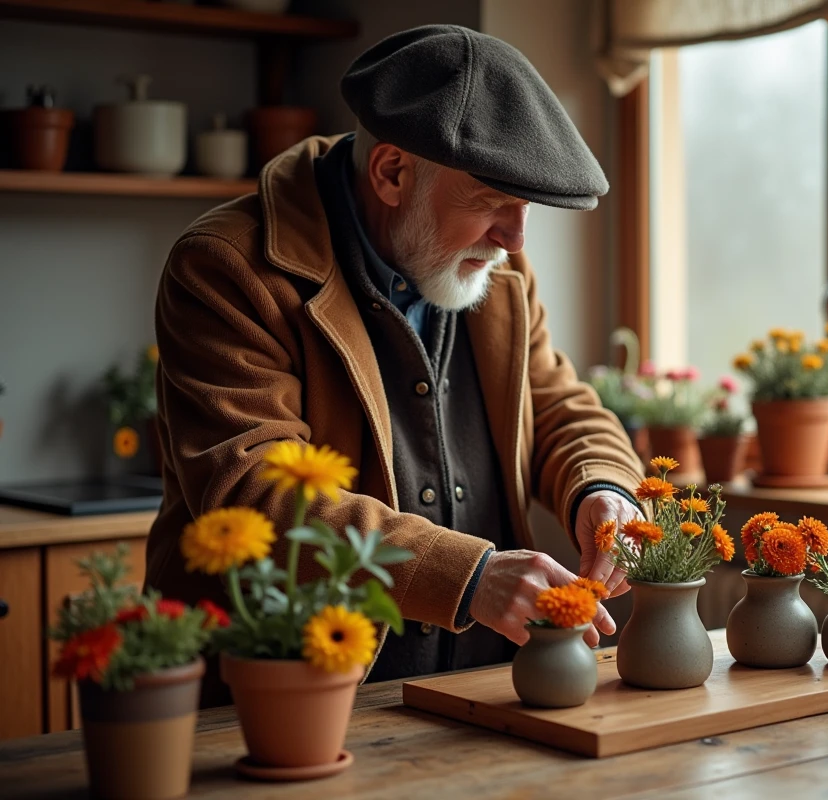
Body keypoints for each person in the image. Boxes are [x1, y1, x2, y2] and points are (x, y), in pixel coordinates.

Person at [144, 25, 645, 702]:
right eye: (495, 203)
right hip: (294, 699)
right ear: (391, 172)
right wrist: (465, 576)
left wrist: (602, 489)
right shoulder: (225, 268)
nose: (515, 239)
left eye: (525, 209)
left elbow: (555, 403)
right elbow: (252, 491)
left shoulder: (498, 269)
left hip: (484, 690)